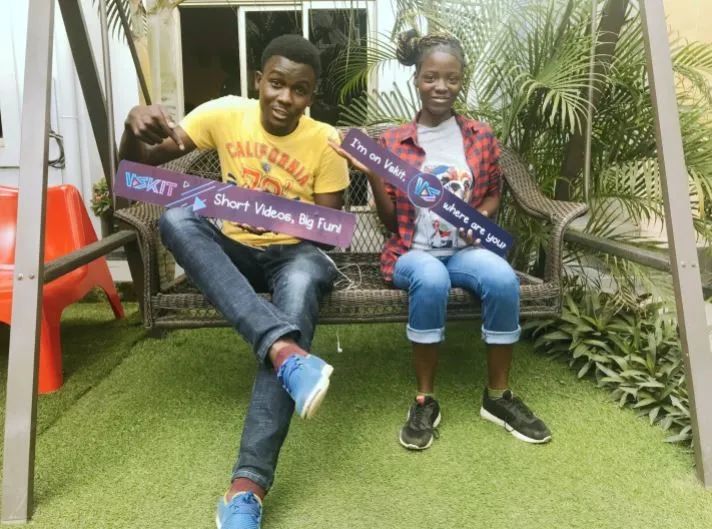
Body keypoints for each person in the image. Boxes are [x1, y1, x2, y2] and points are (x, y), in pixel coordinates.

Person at [119, 35, 349, 529]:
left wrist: (273, 215)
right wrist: (131, 127)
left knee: (301, 283)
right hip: (235, 251)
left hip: (295, 256)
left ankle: (246, 489)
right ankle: (286, 354)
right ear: (258, 80)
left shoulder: (324, 139)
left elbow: (329, 233)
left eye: (300, 90)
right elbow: (138, 167)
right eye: (277, 83)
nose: (286, 98)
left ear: (311, 96)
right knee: (177, 218)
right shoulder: (223, 113)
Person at [332, 30, 551, 451]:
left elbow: (493, 193)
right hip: (412, 253)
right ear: (416, 79)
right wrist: (374, 173)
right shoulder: (393, 142)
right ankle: (425, 400)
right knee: (430, 277)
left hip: (464, 252)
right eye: (431, 77)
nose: (441, 87)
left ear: (461, 80)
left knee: (502, 278)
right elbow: (389, 222)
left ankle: (498, 396)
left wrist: (479, 217)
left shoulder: (480, 136)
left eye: (451, 78)